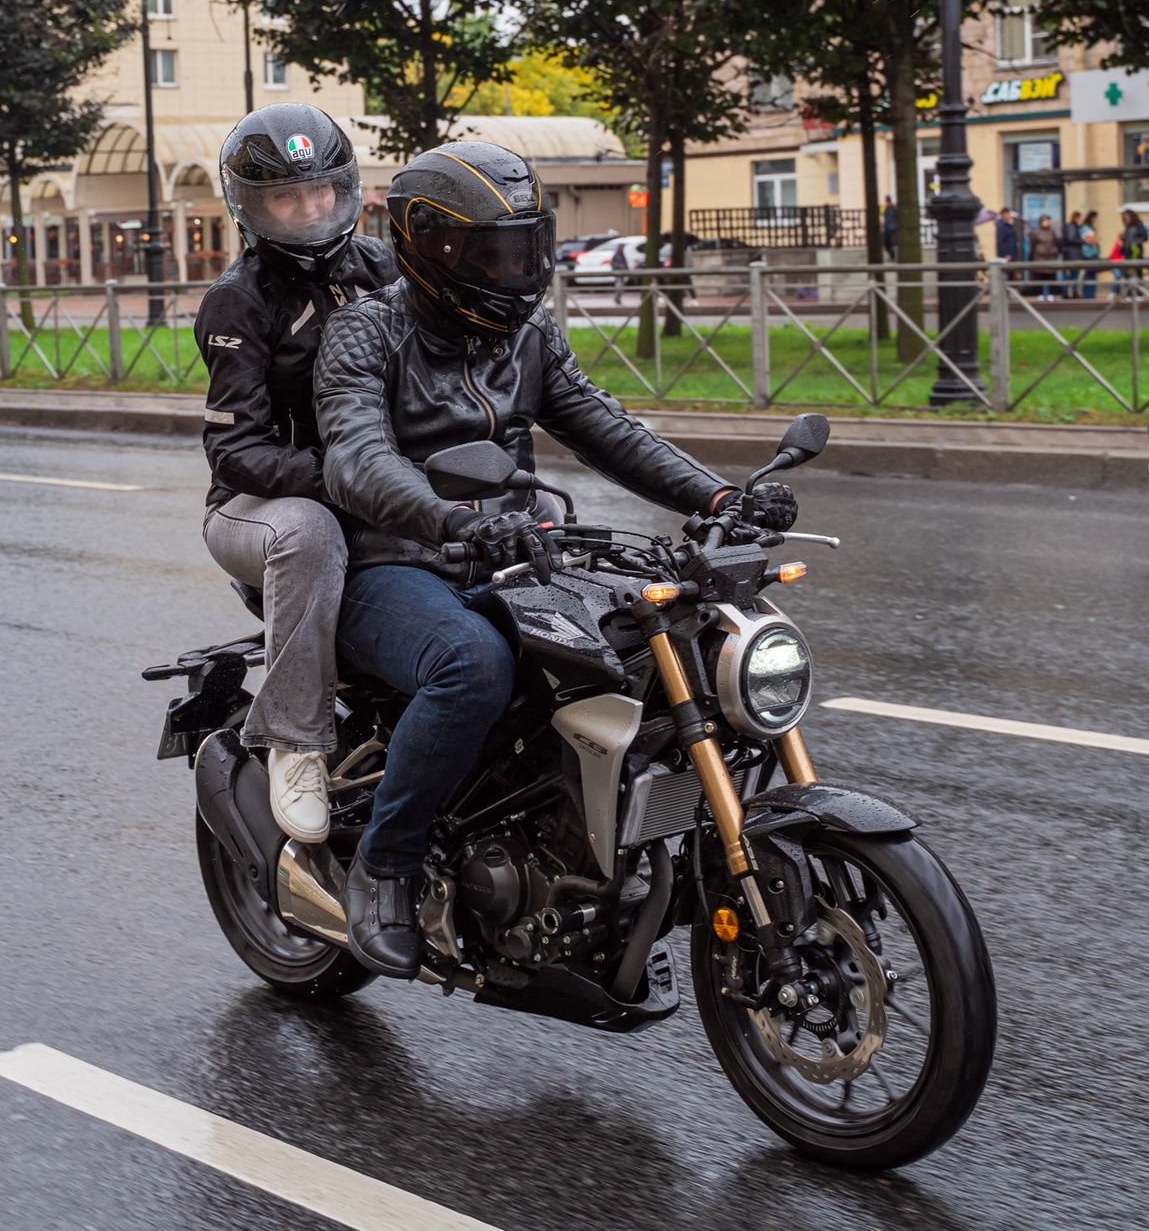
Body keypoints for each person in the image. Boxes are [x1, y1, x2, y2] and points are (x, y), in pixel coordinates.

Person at [314, 141, 795, 978]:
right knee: (472, 664)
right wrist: (451, 518)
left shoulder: (529, 334)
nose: (513, 273)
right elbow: (357, 458)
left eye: (525, 250)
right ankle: (386, 865)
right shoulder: (367, 331)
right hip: (392, 562)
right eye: (490, 256)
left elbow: (609, 429)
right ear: (429, 249)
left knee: (651, 632)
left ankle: (587, 848)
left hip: (518, 553)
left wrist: (721, 497)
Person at [193, 105, 395, 844]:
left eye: (320, 190)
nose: (309, 208)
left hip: (378, 486)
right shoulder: (238, 300)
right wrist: (345, 475)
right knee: (309, 533)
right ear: (251, 205)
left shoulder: (383, 268)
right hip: (259, 507)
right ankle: (295, 742)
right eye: (286, 196)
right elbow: (234, 452)